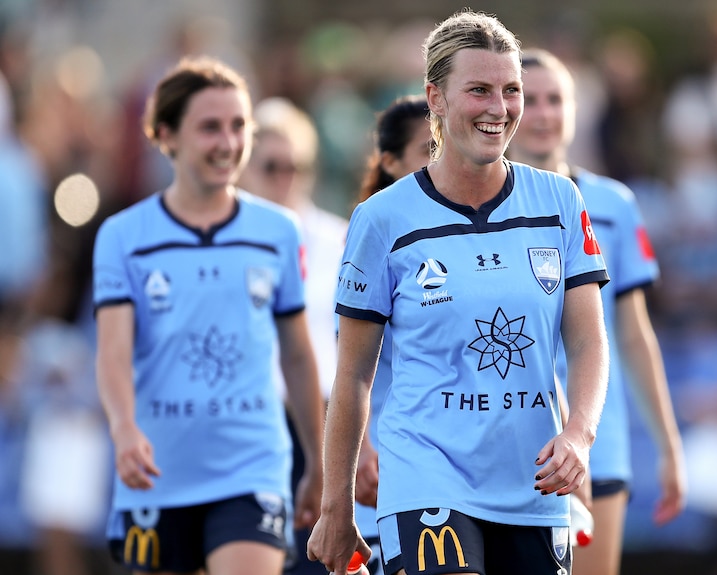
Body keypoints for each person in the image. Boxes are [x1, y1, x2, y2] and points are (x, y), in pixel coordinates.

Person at [307, 11, 610, 575]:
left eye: (510, 90)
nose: (499, 108)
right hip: (427, 475)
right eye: (479, 90)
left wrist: (579, 435)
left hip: (534, 485)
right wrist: (336, 505)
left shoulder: (560, 201)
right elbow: (352, 374)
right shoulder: (382, 219)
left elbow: (589, 341)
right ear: (436, 99)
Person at [92, 55, 324, 575]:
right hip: (156, 470)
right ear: (166, 136)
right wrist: (124, 429)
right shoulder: (123, 236)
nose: (228, 142)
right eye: (210, 127)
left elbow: (298, 354)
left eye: (239, 125)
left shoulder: (279, 232)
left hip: (251, 466)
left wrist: (319, 461)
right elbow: (112, 351)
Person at [507, 48, 686, 574]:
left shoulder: (613, 204)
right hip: (509, 437)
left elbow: (634, 335)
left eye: (555, 100)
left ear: (575, 109)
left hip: (595, 441)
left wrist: (669, 447)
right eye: (528, 99)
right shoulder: (482, 210)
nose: (542, 114)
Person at [237, 96, 346, 575]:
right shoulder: (226, 244)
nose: (286, 178)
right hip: (250, 423)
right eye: (272, 166)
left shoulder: (340, 239)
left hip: (322, 423)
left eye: (296, 167)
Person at [352, 94, 433, 575]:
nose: (439, 161)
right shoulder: (371, 238)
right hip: (388, 466)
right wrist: (359, 451)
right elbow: (349, 367)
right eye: (427, 149)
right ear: (389, 162)